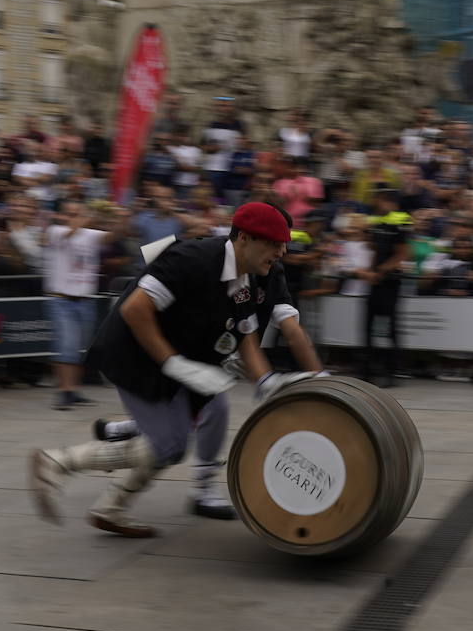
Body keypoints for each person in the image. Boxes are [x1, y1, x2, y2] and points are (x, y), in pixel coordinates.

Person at [29, 202, 311, 537]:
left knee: (211, 407)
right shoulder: (194, 259)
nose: (282, 252)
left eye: (284, 245)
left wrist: (266, 380)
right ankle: (57, 462)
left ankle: (112, 503)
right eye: (274, 243)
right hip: (136, 353)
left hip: (180, 356)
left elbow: (246, 332)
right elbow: (135, 309)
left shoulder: (248, 275)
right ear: (246, 239)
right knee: (170, 445)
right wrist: (172, 363)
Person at [44, 200, 119, 410]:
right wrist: (90, 214)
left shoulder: (90, 234)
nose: (72, 217)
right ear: (61, 216)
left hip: (84, 299)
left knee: (80, 349)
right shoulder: (55, 231)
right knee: (66, 345)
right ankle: (64, 392)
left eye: (75, 213)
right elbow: (72, 231)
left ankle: (73, 390)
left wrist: (115, 219)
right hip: (62, 299)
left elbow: (111, 237)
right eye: (69, 214)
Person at [361, 190, 411, 388]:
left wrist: (380, 271)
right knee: (368, 326)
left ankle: (392, 371)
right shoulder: (378, 222)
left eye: (378, 200)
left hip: (390, 282)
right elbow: (376, 250)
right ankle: (367, 369)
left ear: (388, 201)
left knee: (391, 328)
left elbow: (402, 253)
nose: (374, 203)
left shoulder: (399, 222)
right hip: (376, 280)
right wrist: (371, 270)